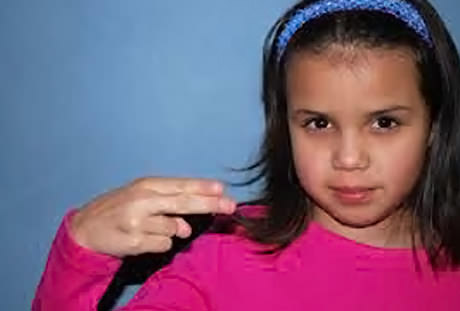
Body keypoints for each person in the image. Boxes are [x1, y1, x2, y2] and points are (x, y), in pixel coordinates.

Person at [32, 0, 460, 310]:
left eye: (384, 123)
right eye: (318, 123)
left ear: (433, 124)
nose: (348, 158)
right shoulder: (219, 261)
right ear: (284, 126)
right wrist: (79, 252)